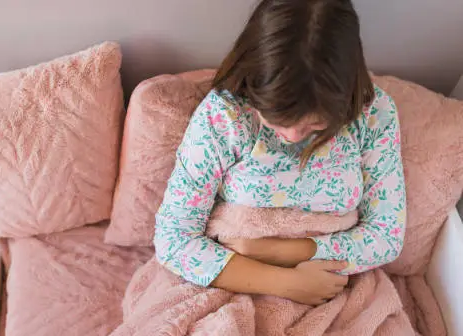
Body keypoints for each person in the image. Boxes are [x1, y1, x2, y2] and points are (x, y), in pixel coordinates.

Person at [154, 0, 406, 306]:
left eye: (314, 125)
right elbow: (174, 240)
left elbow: (385, 237)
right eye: (276, 120)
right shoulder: (226, 115)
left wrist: (279, 251)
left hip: (329, 280)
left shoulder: (373, 114)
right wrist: (284, 283)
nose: (291, 137)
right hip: (230, 276)